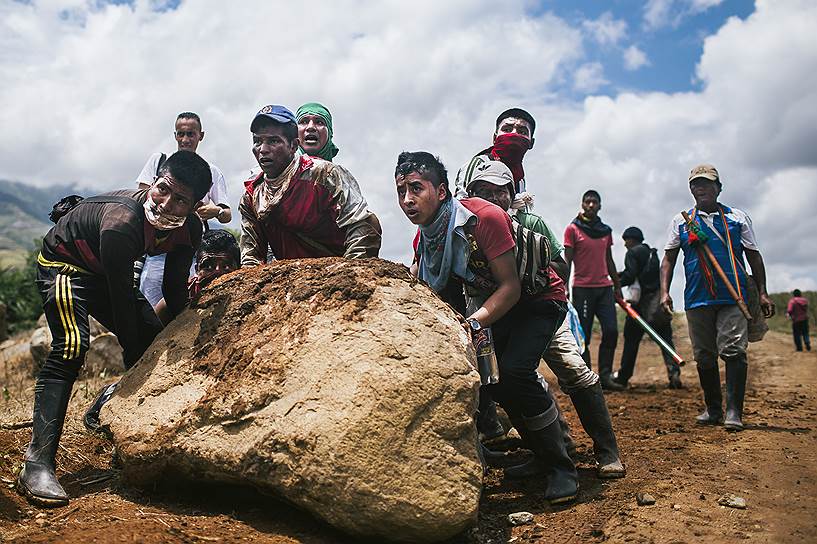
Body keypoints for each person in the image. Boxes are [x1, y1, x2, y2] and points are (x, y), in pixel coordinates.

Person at [18, 151, 212, 507]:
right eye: (163, 189)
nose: (166, 203)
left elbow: (172, 290)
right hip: (65, 266)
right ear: (154, 181)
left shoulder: (191, 229)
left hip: (106, 274)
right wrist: (135, 359)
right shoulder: (123, 223)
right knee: (73, 344)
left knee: (153, 337)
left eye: (180, 199)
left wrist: (182, 337)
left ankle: (101, 408)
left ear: (195, 206)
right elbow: (122, 301)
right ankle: (37, 463)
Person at [396, 151, 578, 504]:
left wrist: (471, 323)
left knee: (515, 372)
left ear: (443, 191)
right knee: (495, 384)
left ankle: (561, 467)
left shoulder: (482, 219)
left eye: (417, 188)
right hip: (496, 307)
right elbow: (427, 285)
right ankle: (541, 456)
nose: (407, 200)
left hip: (538, 300)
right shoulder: (426, 237)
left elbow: (510, 287)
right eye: (401, 190)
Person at [465, 160, 625, 478]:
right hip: (505, 315)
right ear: (472, 195)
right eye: (485, 192)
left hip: (542, 309)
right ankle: (546, 453)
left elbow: (560, 267)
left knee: (573, 370)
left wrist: (530, 268)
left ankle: (607, 451)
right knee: (505, 381)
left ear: (513, 195)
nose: (494, 199)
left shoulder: (531, 223)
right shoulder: (469, 227)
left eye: (502, 192)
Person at [661, 164, 775, 432]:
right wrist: (665, 291)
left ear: (719, 188)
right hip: (697, 298)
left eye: (707, 183)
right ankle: (713, 409)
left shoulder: (737, 218)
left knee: (734, 350)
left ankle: (734, 411)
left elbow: (754, 256)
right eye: (696, 184)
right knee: (704, 355)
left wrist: (762, 292)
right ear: (691, 190)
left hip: (734, 297)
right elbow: (668, 259)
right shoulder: (681, 221)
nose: (701, 188)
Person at [239, 105, 381, 265]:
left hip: (337, 272)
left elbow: (363, 225)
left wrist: (349, 274)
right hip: (290, 279)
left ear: (293, 146)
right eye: (257, 141)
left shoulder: (325, 174)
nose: (263, 149)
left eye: (273, 141)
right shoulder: (251, 196)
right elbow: (251, 256)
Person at [135, 112, 232, 307]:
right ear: (175, 135)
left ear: (200, 136)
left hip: (189, 247)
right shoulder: (160, 161)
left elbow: (226, 214)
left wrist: (215, 211)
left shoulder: (210, 172)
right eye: (181, 134)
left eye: (191, 134)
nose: (185, 139)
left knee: (183, 300)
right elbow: (141, 198)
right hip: (156, 247)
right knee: (149, 301)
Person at [564, 190, 624, 391]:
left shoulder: (605, 230)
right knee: (584, 335)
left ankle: (605, 375)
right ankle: (587, 377)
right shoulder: (572, 229)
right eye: (587, 202)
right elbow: (568, 261)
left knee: (611, 331)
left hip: (604, 289)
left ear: (599, 206)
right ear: (582, 204)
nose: (590, 205)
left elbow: (609, 259)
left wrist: (617, 285)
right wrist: (563, 286)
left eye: (594, 202)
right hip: (582, 289)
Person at [613, 226, 682, 389]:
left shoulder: (632, 253)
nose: (624, 245)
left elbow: (630, 276)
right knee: (665, 339)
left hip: (639, 307)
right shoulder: (651, 253)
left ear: (631, 239)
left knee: (631, 340)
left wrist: (614, 282)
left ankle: (623, 377)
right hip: (657, 304)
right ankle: (674, 373)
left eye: (625, 241)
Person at [455, 107, 536, 205]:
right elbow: (461, 202)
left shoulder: (520, 179)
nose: (514, 134)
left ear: (531, 143)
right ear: (495, 138)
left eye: (522, 132)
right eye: (507, 129)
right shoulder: (479, 163)